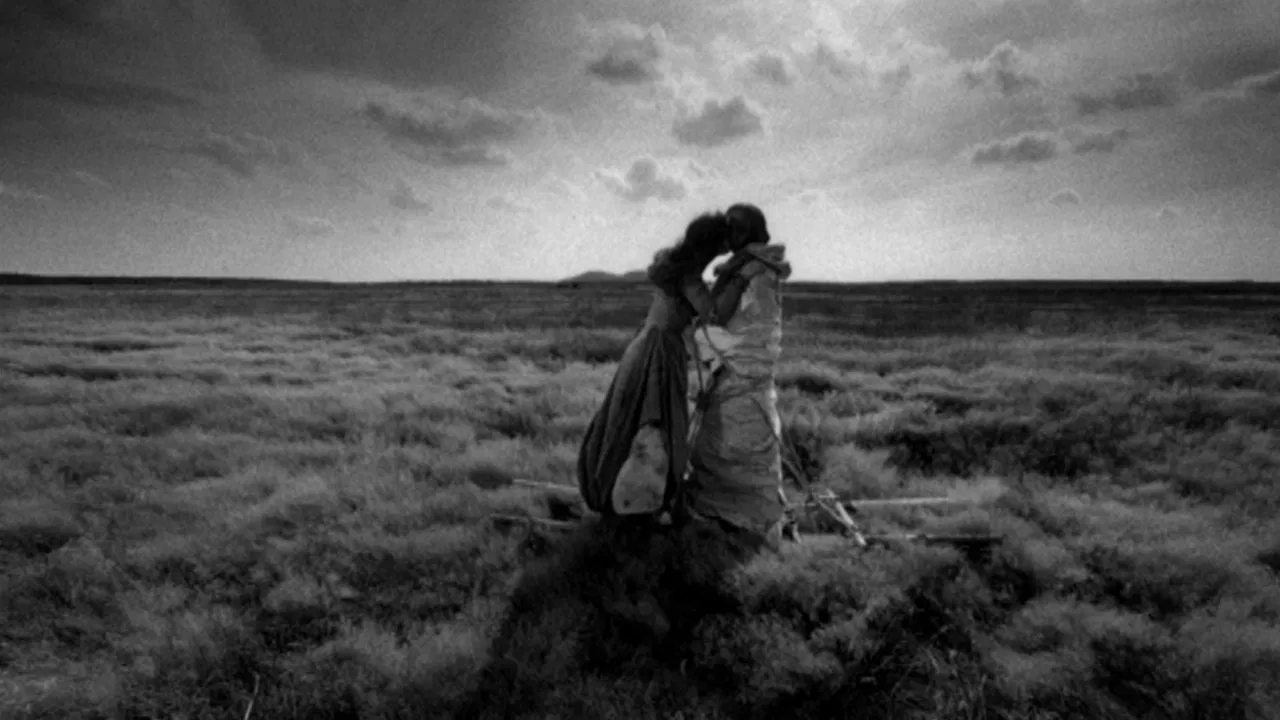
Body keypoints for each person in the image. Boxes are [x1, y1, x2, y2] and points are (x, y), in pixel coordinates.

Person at [576, 210, 759, 520]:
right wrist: (739, 279)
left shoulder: (674, 265)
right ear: (707, 247)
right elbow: (713, 314)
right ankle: (643, 502)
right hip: (660, 352)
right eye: (720, 247)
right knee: (659, 422)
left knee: (628, 418)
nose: (722, 252)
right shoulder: (688, 277)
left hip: (645, 345)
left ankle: (625, 498)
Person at [682, 203, 793, 544]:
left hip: (743, 378)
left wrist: (702, 339)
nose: (727, 233)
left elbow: (753, 334)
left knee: (740, 445)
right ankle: (721, 517)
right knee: (724, 445)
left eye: (734, 228)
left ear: (748, 232)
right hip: (732, 378)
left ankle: (745, 523)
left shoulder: (756, 273)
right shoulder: (746, 268)